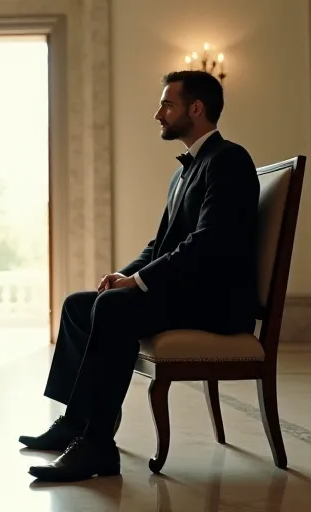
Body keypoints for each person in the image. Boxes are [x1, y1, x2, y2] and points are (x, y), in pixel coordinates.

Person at [18, 70, 259, 482]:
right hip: (186, 293)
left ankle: (97, 447)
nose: (158, 114)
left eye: (167, 104)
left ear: (196, 109)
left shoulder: (229, 160)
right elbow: (160, 243)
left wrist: (141, 284)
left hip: (214, 303)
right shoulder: (186, 169)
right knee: (81, 305)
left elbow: (209, 244)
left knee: (112, 309)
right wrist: (125, 274)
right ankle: (76, 423)